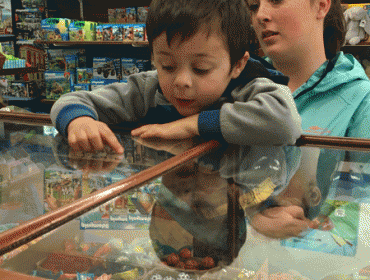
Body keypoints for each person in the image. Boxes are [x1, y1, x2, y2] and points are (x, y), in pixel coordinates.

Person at [50, 0, 302, 153]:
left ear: (237, 65)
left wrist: (190, 125)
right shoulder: (147, 89)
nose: (182, 81)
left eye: (201, 68)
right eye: (168, 66)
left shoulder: (250, 84)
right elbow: (69, 101)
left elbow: (285, 122)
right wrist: (79, 121)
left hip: (232, 201)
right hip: (175, 197)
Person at [246, 0, 370, 138]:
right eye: (254, 7)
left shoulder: (361, 101)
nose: (260, 15)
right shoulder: (237, 86)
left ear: (321, 5)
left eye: (276, 1)